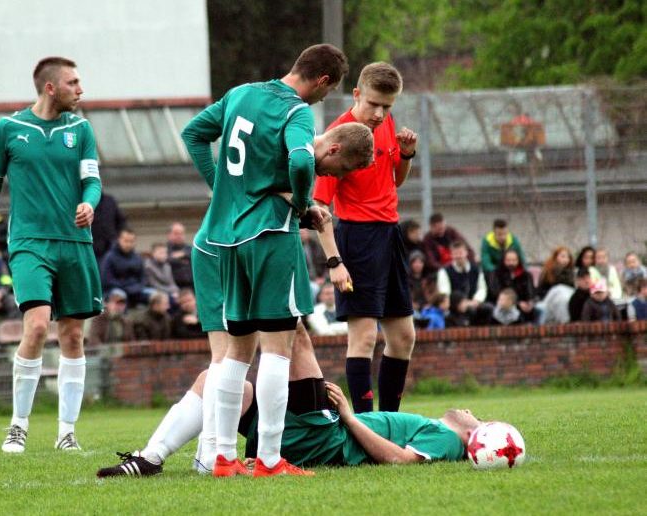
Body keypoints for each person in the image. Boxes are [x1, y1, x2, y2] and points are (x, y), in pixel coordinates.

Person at [181, 43, 352, 478]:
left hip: (227, 238)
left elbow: (194, 134)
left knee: (236, 351)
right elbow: (299, 159)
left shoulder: (240, 93)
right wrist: (302, 205)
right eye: (324, 93)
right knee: (278, 347)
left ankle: (222, 457)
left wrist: (223, 188)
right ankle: (271, 460)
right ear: (323, 81)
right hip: (269, 233)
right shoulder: (297, 113)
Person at [96, 326, 478, 477]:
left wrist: (347, 416)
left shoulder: (448, 439)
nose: (469, 412)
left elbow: (400, 459)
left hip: (325, 436)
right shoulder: (442, 430)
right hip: (320, 430)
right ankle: (151, 457)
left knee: (291, 329)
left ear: (473, 439)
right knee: (217, 383)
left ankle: (213, 457)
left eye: (476, 420)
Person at [0, 56, 103, 453]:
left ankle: (66, 432)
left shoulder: (81, 129)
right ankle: (18, 426)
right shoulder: (8, 129)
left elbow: (92, 182)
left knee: (74, 335)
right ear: (50, 87)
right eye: (73, 83)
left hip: (75, 243)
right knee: (36, 325)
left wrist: (90, 204)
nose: (81, 89)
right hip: (29, 242)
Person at [312, 61, 418, 416]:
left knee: (403, 337)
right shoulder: (338, 136)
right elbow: (318, 207)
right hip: (356, 238)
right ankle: (366, 425)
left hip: (390, 234)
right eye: (373, 104)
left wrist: (405, 155)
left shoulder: (385, 125)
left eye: (387, 106)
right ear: (356, 94)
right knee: (364, 338)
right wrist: (335, 262)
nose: (379, 113)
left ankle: (390, 421)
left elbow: (396, 181)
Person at [436, 240, 491, 324]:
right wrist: (459, 303)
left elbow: (482, 289)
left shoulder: (476, 269)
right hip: (454, 307)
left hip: (473, 303)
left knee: (488, 309)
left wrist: (475, 301)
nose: (458, 256)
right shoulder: (444, 271)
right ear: (451, 255)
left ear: (466, 253)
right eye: (455, 253)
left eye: (461, 253)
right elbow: (445, 293)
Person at [100, 229, 155, 307]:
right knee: (119, 295)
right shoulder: (109, 257)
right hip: (115, 289)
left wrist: (137, 287)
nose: (128, 244)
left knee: (156, 296)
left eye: (131, 241)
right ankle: (118, 319)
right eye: (126, 241)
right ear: (119, 240)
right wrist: (126, 287)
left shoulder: (137, 257)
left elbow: (143, 278)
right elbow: (107, 280)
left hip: (136, 290)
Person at [486, 249, 537, 323]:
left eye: (514, 260)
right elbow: (495, 293)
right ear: (504, 260)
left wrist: (529, 303)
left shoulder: (526, 275)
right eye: (508, 260)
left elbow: (531, 292)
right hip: (500, 304)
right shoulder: (496, 274)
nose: (511, 263)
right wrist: (517, 303)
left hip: (524, 306)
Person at [91, 191, 126, 264]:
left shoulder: (110, 201)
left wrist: (117, 238)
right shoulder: (85, 201)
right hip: (92, 247)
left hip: (110, 245)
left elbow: (121, 221)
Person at [166, 222, 194, 290]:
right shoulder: (165, 250)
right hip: (175, 287)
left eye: (181, 233)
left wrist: (182, 254)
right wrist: (184, 260)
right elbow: (168, 260)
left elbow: (194, 255)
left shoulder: (190, 249)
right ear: (169, 235)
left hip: (193, 286)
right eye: (176, 233)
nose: (179, 236)